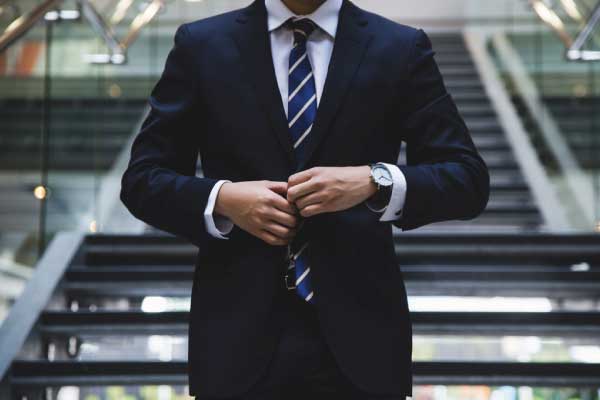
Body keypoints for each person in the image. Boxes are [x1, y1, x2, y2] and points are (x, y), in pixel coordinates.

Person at [119, 0, 490, 398]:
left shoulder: (398, 46)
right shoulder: (202, 44)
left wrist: (374, 180)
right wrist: (223, 198)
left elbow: (466, 179)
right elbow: (142, 180)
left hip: (363, 344)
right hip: (235, 339)